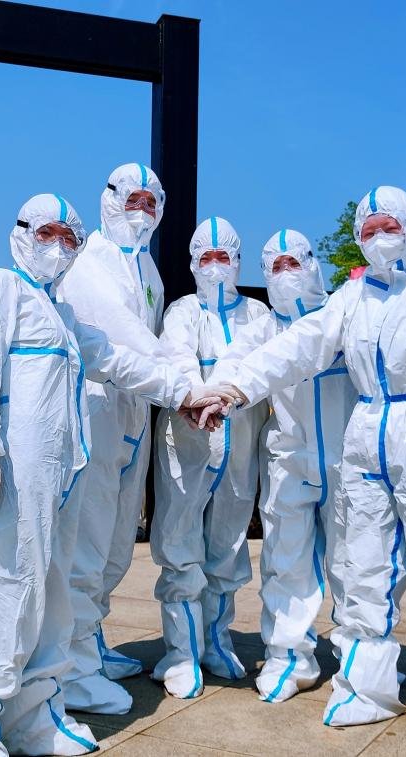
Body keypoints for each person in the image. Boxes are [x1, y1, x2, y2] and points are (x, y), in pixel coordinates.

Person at [208, 187, 406, 743]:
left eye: (388, 226)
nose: (378, 238)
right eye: (368, 231)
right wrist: (236, 387)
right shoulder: (352, 297)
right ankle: (366, 689)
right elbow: (301, 345)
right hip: (368, 431)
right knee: (363, 566)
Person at [0, 194, 222, 757]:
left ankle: (33, 716)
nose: (58, 247)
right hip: (8, 480)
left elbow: (117, 361)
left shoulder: (61, 315)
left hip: (57, 483)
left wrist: (186, 392)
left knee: (49, 596)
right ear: (21, 232)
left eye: (70, 239)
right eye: (48, 234)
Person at [208, 229, 352, 704]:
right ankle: (289, 657)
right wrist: (211, 395)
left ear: (313, 265)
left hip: (347, 460)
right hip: (289, 458)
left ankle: (362, 658)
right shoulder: (265, 329)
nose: (286, 273)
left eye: (295, 262)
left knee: (355, 562)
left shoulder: (342, 313)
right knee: (285, 561)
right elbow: (232, 364)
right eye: (276, 266)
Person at [53, 163, 166, 715]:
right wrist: (190, 387)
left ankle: (90, 642)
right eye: (132, 200)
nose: (141, 211)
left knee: (119, 541)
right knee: (89, 538)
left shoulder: (149, 269)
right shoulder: (90, 260)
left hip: (135, 409)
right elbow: (128, 337)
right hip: (97, 405)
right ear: (110, 200)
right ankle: (73, 670)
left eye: (150, 201)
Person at [149, 216, 270, 699]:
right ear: (193, 263)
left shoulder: (257, 315)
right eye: (206, 257)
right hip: (187, 440)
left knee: (228, 543)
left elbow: (254, 361)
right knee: (179, 540)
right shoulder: (181, 311)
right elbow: (175, 356)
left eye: (224, 257)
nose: (215, 266)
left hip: (239, 443)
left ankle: (216, 642)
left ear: (237, 261)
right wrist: (198, 396)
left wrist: (224, 396)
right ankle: (181, 652)